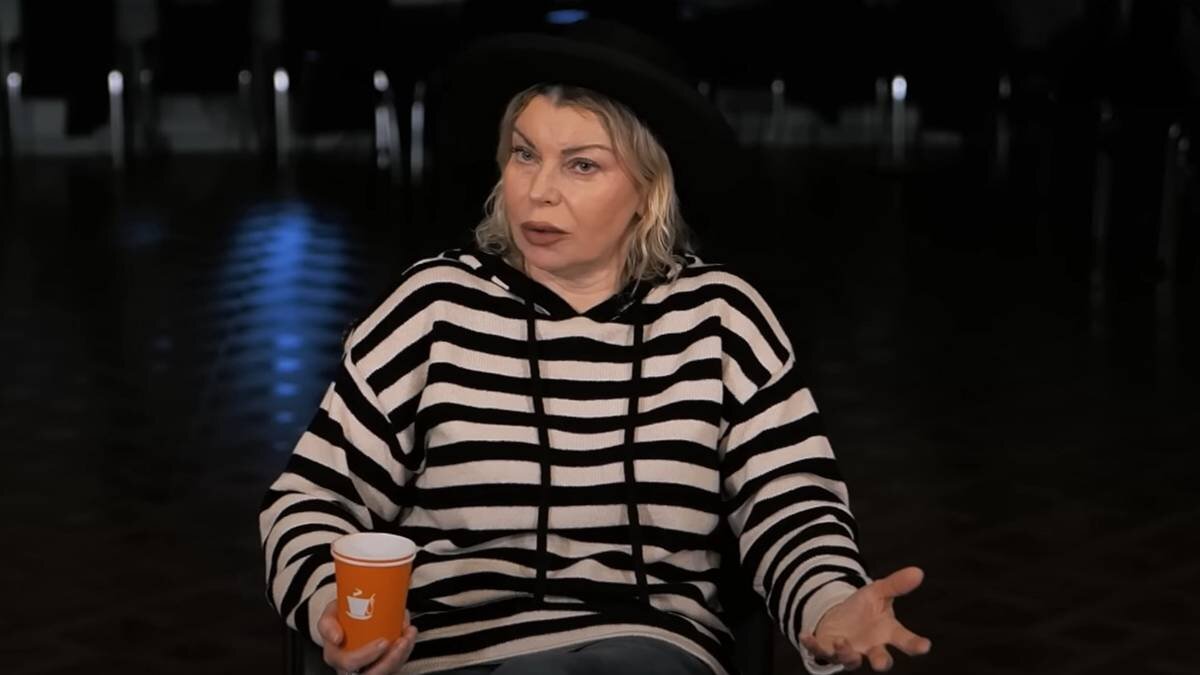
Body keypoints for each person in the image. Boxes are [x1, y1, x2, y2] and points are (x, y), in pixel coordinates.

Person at [260, 19, 931, 675]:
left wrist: (829, 602)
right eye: (525, 154)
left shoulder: (720, 316)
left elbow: (788, 502)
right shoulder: (431, 305)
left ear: (648, 190)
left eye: (581, 165)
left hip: (644, 644)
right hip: (446, 650)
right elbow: (312, 497)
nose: (538, 191)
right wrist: (332, 606)